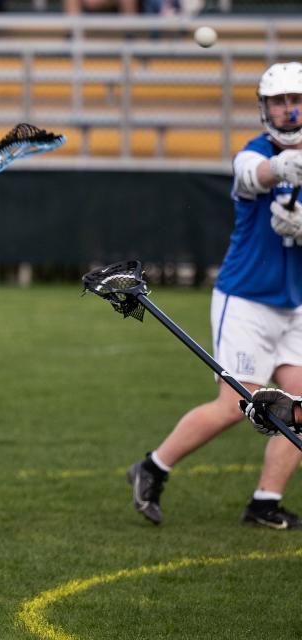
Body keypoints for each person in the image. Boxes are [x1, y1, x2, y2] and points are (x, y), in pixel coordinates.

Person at [126, 61, 302, 530]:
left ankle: (265, 501)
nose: (288, 110)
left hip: (294, 302)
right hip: (245, 298)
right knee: (234, 403)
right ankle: (152, 467)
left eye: (295, 100)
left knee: (300, 405)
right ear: (265, 108)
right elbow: (252, 175)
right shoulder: (254, 152)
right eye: (279, 101)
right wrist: (284, 167)